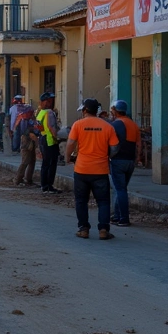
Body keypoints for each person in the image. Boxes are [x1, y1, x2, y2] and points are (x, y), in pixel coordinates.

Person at [66, 98, 121, 240]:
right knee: (103, 201)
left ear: (85, 110)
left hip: (82, 169)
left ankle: (83, 229)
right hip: (100, 170)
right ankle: (103, 230)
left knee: (81, 201)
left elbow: (70, 143)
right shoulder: (108, 126)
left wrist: (67, 158)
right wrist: (106, 155)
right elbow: (115, 147)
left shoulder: (78, 125)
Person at [108, 99, 140, 227]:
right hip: (130, 161)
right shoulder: (133, 124)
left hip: (118, 160)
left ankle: (123, 218)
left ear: (115, 111)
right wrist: (137, 159)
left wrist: (109, 156)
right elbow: (138, 144)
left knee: (120, 190)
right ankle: (116, 216)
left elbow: (113, 144)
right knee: (120, 189)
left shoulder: (117, 124)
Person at [36, 92, 62, 194]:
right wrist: (57, 138)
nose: (51, 102)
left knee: (45, 164)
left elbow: (39, 127)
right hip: (50, 141)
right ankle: (49, 186)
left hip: (43, 138)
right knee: (52, 163)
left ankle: (44, 185)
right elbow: (51, 127)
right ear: (45, 101)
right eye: (49, 100)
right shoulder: (49, 113)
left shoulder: (40, 113)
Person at [13, 101, 39, 186]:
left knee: (32, 161)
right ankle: (18, 179)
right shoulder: (24, 119)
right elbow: (25, 131)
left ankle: (28, 179)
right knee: (25, 161)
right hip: (27, 140)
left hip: (30, 140)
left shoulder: (29, 119)